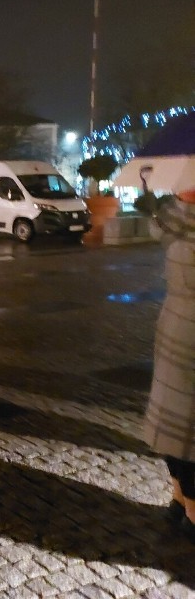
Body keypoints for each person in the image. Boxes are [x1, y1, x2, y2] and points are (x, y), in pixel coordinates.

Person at [143, 186, 195, 543]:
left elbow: (154, 226)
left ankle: (179, 497)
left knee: (172, 418)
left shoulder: (170, 221)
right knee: (190, 429)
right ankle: (193, 510)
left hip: (175, 321)